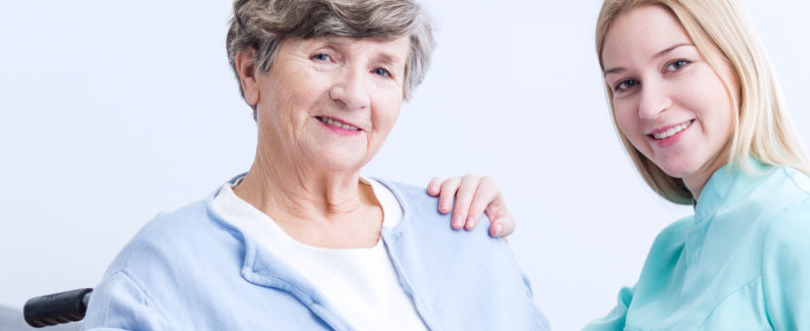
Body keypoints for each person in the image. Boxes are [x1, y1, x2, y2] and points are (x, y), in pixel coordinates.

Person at [432, 0, 810, 329]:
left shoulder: (801, 227)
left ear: (735, 60)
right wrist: (477, 244)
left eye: (676, 64)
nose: (650, 106)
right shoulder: (672, 255)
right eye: (626, 84)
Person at [80, 0, 551, 330]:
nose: (354, 94)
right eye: (325, 55)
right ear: (250, 72)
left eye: (382, 69)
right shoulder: (161, 273)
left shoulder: (464, 232)